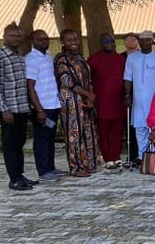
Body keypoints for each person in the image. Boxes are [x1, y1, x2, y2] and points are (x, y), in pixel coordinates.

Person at [54, 29, 98, 177]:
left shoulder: (81, 58)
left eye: (75, 40)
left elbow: (89, 79)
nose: (73, 43)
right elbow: (67, 81)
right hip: (71, 100)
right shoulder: (61, 60)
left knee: (87, 131)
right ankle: (75, 167)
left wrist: (90, 98)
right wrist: (88, 95)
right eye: (69, 40)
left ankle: (89, 164)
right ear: (63, 42)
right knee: (74, 133)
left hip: (85, 100)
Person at [0, 23, 35, 190]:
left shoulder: (20, 55)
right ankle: (14, 179)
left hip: (22, 107)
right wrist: (4, 109)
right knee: (10, 145)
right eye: (12, 36)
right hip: (9, 109)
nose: (16, 38)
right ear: (4, 37)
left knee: (19, 143)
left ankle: (19, 175)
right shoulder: (0, 57)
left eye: (18, 36)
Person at [25, 29, 64, 181]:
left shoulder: (48, 56)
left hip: (53, 104)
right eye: (40, 39)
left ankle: (51, 168)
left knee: (50, 137)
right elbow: (30, 86)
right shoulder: (31, 59)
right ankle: (43, 171)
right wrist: (39, 109)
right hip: (42, 107)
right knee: (41, 138)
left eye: (46, 39)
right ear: (33, 41)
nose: (44, 42)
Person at [124, 30, 155, 162]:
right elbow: (127, 78)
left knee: (154, 127)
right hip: (137, 99)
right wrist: (127, 95)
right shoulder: (132, 58)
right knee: (140, 127)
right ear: (139, 42)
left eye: (147, 39)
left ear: (152, 41)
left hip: (154, 100)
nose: (144, 42)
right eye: (142, 40)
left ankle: (154, 156)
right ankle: (142, 157)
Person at [88, 33, 126, 169]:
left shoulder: (121, 59)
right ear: (101, 43)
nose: (109, 44)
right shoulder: (93, 60)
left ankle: (116, 156)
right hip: (102, 102)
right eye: (106, 41)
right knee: (103, 132)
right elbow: (88, 80)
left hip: (118, 101)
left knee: (117, 131)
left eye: (111, 41)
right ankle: (107, 158)